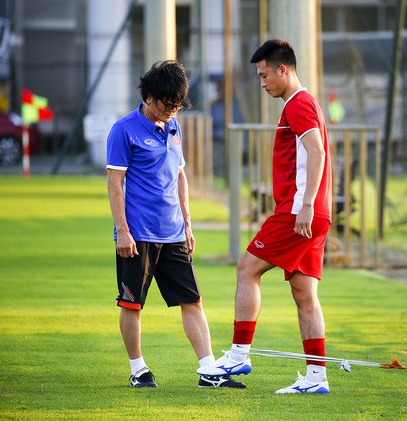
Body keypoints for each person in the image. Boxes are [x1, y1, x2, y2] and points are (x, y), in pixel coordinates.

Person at [197, 39, 333, 394]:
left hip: (297, 211)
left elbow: (316, 151)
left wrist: (303, 205)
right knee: (305, 294)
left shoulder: (298, 105)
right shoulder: (305, 104)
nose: (262, 83)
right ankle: (317, 378)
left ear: (282, 69)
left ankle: (240, 353)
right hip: (316, 213)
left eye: (264, 74)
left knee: (247, 268)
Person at [106, 59, 245, 389]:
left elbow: (180, 176)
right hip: (137, 236)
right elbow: (115, 184)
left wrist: (188, 223)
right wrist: (123, 232)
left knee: (193, 301)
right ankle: (139, 369)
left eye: (178, 106)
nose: (172, 111)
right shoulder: (123, 130)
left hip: (174, 233)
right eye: (168, 105)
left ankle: (209, 372)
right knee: (132, 304)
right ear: (150, 96)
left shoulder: (174, 126)